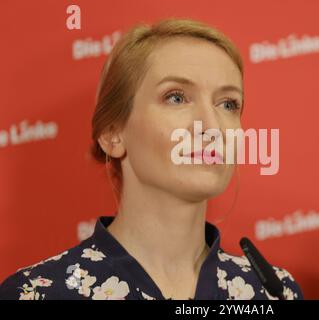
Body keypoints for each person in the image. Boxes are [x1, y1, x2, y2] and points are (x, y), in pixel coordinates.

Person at [0, 18, 303, 300]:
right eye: (176, 97)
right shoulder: (36, 293)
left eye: (228, 104)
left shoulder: (273, 292)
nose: (212, 127)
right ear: (112, 133)